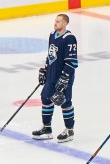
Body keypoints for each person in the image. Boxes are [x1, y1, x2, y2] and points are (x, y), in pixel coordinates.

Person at [31, 13, 78, 143]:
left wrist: (65, 77)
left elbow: (72, 61)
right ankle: (47, 128)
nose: (55, 23)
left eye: (58, 21)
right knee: (45, 98)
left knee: (65, 101)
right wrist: (45, 70)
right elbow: (50, 55)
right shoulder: (52, 35)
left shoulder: (70, 38)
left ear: (64, 23)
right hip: (51, 75)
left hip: (64, 77)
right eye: (55, 21)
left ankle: (69, 130)